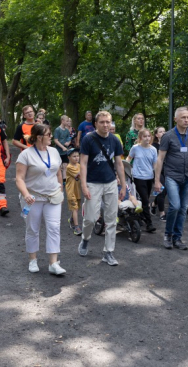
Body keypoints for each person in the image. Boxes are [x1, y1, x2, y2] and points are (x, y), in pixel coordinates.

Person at [16, 124, 66, 275]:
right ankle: (33, 260)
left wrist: (60, 190)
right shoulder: (26, 154)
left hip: (53, 196)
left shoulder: (54, 152)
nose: (51, 136)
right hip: (33, 198)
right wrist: (26, 195)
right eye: (49, 134)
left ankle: (53, 263)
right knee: (33, 229)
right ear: (39, 137)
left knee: (54, 227)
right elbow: (19, 178)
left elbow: (58, 173)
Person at [78, 111, 126, 266]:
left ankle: (108, 252)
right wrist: (84, 185)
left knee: (112, 219)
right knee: (91, 218)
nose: (106, 125)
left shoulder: (115, 140)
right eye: (102, 122)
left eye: (108, 122)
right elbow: (83, 164)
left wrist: (123, 185)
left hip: (110, 182)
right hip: (93, 183)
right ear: (96, 124)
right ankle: (85, 239)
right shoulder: (88, 139)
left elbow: (119, 163)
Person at [154, 106, 188, 250]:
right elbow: (160, 158)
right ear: (176, 119)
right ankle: (168, 235)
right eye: (183, 117)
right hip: (172, 176)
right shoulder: (167, 136)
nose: (187, 120)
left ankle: (177, 238)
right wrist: (157, 180)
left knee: (183, 208)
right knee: (175, 205)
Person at [126, 128, 158, 233]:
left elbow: (155, 165)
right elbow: (129, 159)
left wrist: (157, 177)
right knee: (145, 200)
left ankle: (140, 216)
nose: (147, 138)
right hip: (138, 177)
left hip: (149, 177)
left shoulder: (153, 149)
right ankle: (149, 223)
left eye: (149, 136)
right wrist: (125, 169)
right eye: (145, 136)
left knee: (145, 199)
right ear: (140, 138)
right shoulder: (135, 148)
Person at [65, 149, 82, 235]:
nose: (76, 158)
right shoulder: (69, 167)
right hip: (71, 190)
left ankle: (71, 219)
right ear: (69, 157)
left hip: (77, 190)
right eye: (74, 156)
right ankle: (76, 227)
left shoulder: (79, 165)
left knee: (77, 207)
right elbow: (80, 175)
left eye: (78, 156)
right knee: (75, 208)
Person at [152, 127, 167, 221]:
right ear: (156, 135)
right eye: (160, 132)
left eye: (164, 131)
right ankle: (162, 213)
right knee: (161, 190)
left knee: (166, 190)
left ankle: (153, 204)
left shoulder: (168, 144)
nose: (163, 133)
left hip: (168, 170)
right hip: (157, 170)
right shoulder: (153, 146)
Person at [53, 115, 72, 180]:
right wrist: (62, 147)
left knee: (65, 165)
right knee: (59, 166)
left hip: (65, 151)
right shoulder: (57, 129)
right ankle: (58, 178)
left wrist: (68, 143)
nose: (67, 122)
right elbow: (55, 140)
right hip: (58, 151)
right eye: (66, 121)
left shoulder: (67, 130)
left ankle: (64, 179)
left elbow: (69, 138)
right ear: (62, 121)